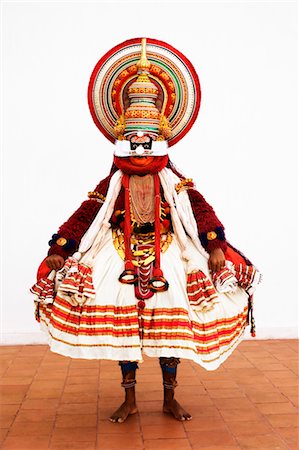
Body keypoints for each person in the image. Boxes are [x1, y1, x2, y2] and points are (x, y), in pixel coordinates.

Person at [31, 38, 261, 422]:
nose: (140, 147)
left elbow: (200, 211)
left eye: (147, 140)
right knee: (123, 327)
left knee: (172, 322)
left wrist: (216, 245)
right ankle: (130, 397)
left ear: (160, 138)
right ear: (122, 138)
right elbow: (86, 214)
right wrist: (62, 249)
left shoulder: (175, 181)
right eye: (133, 140)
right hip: (117, 252)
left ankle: (170, 397)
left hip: (169, 253)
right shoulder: (112, 183)